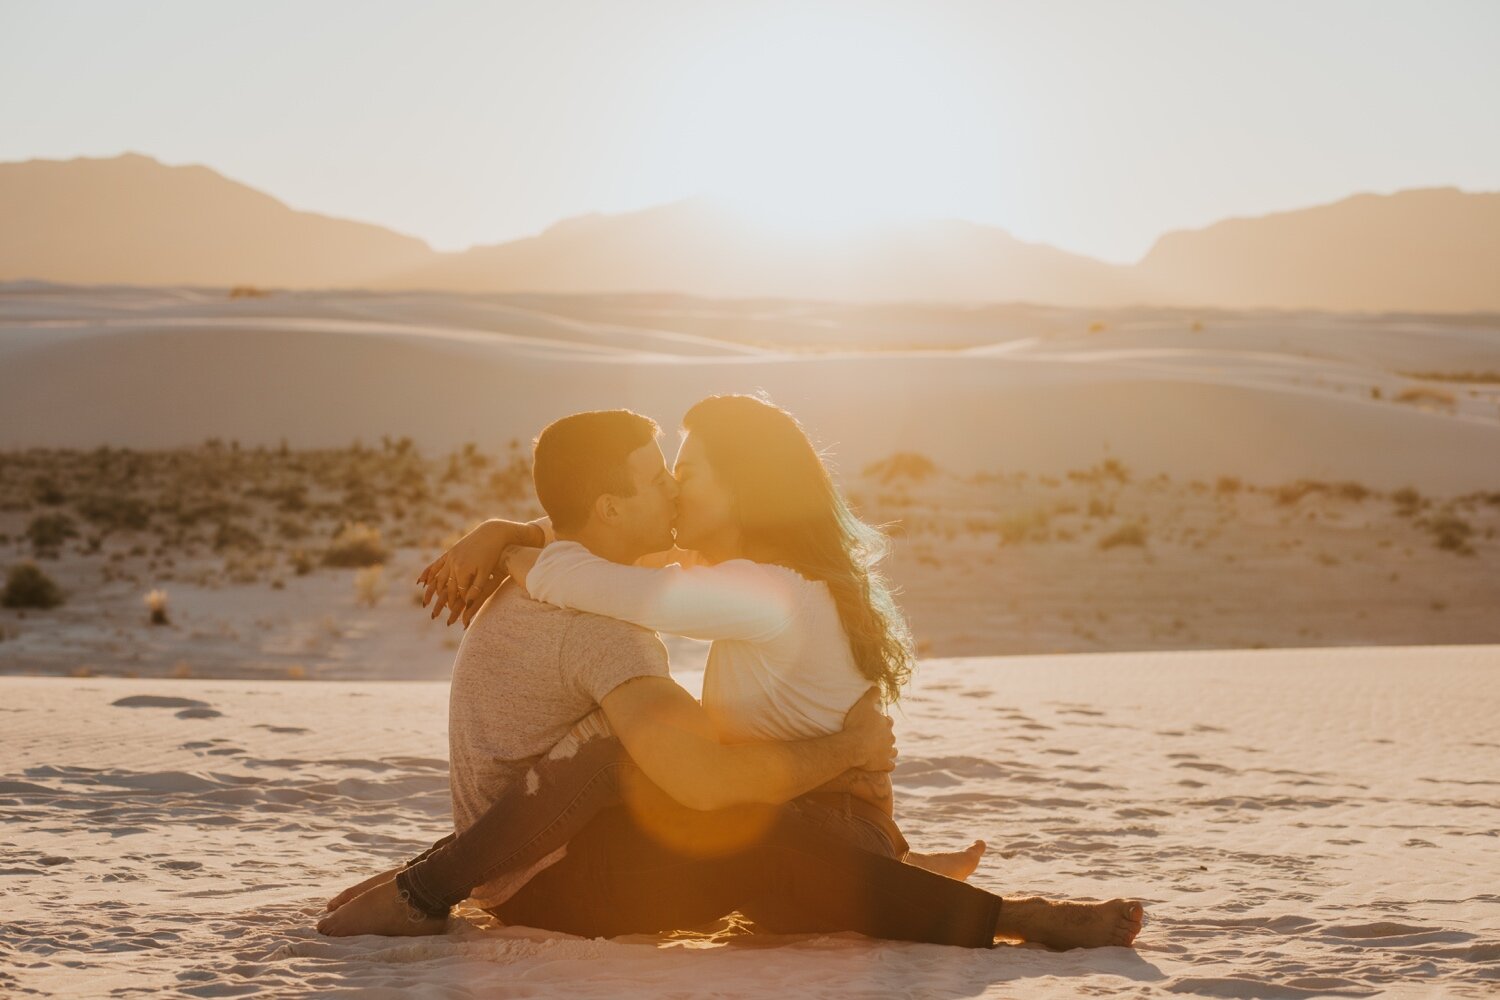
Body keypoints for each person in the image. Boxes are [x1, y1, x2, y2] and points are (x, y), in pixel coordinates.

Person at [319, 406, 1144, 949]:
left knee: (700, 798)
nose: (675, 491)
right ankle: (996, 913)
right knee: (674, 780)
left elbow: (593, 565)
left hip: (786, 830)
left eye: (689, 473)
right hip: (596, 872)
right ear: (610, 508)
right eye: (660, 479)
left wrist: (506, 539)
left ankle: (971, 901)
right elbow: (599, 569)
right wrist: (509, 533)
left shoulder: (757, 592)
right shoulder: (646, 617)